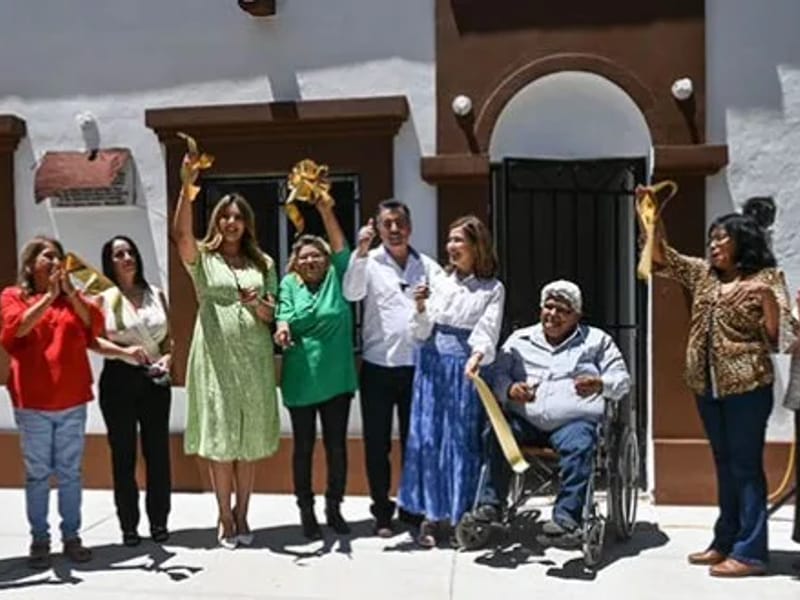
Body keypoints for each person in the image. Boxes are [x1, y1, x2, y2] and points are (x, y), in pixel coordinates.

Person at [646, 190, 796, 577]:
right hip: (706, 386)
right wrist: (651, 215)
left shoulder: (766, 279)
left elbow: (783, 338)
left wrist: (766, 301)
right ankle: (725, 539)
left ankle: (751, 552)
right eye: (711, 239)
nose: (713, 246)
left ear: (742, 243)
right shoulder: (703, 275)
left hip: (747, 387)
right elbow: (663, 256)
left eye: (721, 240)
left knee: (746, 467)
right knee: (723, 464)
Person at [173, 160, 280, 549]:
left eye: (238, 217)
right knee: (221, 437)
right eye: (225, 216)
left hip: (253, 358)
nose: (232, 222)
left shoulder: (263, 263)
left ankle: (244, 513)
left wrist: (256, 306)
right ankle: (223, 515)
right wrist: (187, 187)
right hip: (216, 358)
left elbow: (272, 314)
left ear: (247, 223)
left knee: (248, 438)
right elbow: (180, 233)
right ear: (217, 222)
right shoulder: (204, 259)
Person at [477, 280, 631, 544]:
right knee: (497, 433)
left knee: (581, 443)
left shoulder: (597, 341)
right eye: (548, 307)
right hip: (526, 420)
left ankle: (566, 519)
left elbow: (622, 379)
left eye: (563, 310)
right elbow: (499, 374)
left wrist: (600, 384)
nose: (553, 315)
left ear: (577, 316)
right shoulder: (519, 339)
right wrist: (510, 389)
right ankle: (490, 504)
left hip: (573, 423)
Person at [0, 237, 109, 568]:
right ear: (31, 265)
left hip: (72, 400)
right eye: (46, 257)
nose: (54, 262)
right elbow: (15, 330)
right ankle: (40, 538)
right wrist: (48, 298)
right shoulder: (13, 296)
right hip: (32, 402)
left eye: (57, 257)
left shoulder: (73, 302)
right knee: (37, 474)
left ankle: (71, 536)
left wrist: (70, 293)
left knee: (70, 473)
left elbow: (94, 326)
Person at [397, 215, 505, 547]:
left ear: (477, 246)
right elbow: (420, 331)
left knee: (461, 443)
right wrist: (419, 306)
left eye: (458, 240)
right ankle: (432, 516)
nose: (451, 246)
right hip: (431, 367)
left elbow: (487, 331)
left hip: (465, 369)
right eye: (449, 240)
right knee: (430, 441)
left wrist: (475, 359)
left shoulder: (491, 288)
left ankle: (461, 517)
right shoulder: (440, 280)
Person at [342, 200, 442, 536]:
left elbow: (441, 309)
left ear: (410, 227)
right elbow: (352, 293)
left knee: (417, 444)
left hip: (417, 368)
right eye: (388, 224)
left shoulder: (427, 266)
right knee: (377, 444)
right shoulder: (368, 262)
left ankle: (412, 510)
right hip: (378, 367)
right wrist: (360, 249)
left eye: (400, 223)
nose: (395, 229)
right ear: (378, 228)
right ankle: (382, 512)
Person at [274, 199, 357, 540]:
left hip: (336, 378)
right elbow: (283, 313)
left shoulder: (338, 277)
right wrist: (281, 327)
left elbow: (341, 247)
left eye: (316, 255)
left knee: (336, 447)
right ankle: (305, 511)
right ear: (295, 261)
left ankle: (334, 507)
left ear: (326, 259)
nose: (310, 260)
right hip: (300, 379)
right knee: (304, 448)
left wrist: (325, 209)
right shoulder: (289, 284)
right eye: (304, 256)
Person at [93, 236, 172, 546]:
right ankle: (129, 525)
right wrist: (125, 353)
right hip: (118, 381)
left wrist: (167, 357)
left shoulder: (157, 295)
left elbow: (170, 340)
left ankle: (159, 522)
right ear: (109, 262)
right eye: (118, 254)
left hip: (155, 381)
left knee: (158, 454)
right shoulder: (103, 298)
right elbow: (94, 340)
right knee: (124, 456)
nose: (127, 258)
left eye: (130, 252)